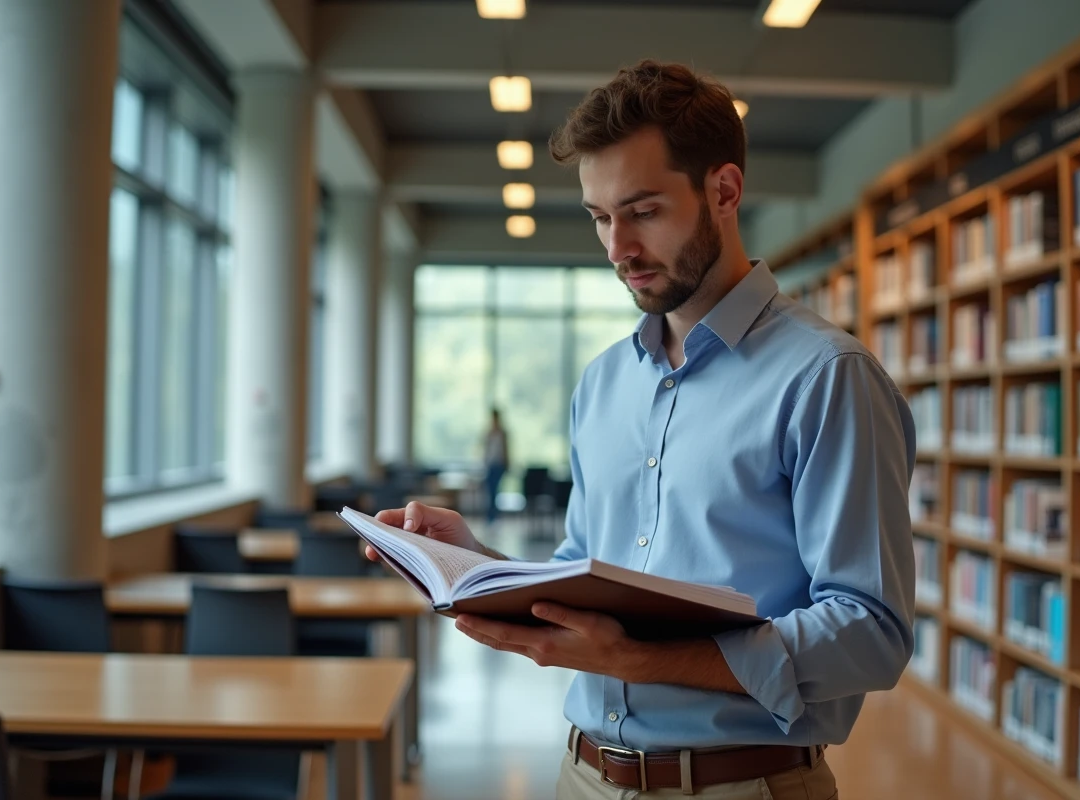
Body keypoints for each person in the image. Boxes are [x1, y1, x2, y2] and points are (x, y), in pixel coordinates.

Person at [371, 59, 916, 799]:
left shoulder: (825, 378)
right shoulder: (603, 383)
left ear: (723, 191)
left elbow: (869, 633)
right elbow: (586, 576)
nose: (617, 247)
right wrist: (484, 567)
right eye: (600, 216)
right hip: (582, 774)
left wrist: (648, 662)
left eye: (644, 210)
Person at [481, 407, 509, 524]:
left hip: (499, 465)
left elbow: (506, 450)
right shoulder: (489, 433)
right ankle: (490, 516)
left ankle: (493, 516)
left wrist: (507, 463)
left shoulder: (503, 433)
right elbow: (485, 450)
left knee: (495, 491)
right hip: (490, 465)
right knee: (490, 491)